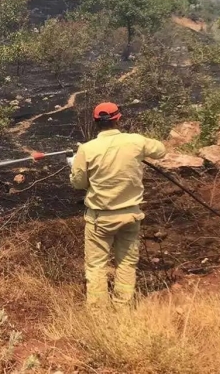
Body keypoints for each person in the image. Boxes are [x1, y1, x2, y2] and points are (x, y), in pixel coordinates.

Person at [69, 102, 167, 308]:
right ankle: (122, 308)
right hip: (130, 216)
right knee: (127, 262)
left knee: (96, 266)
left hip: (100, 219)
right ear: (118, 118)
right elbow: (160, 150)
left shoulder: (87, 149)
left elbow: (79, 183)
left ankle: (98, 314)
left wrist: (75, 163)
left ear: (95, 122)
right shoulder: (136, 141)